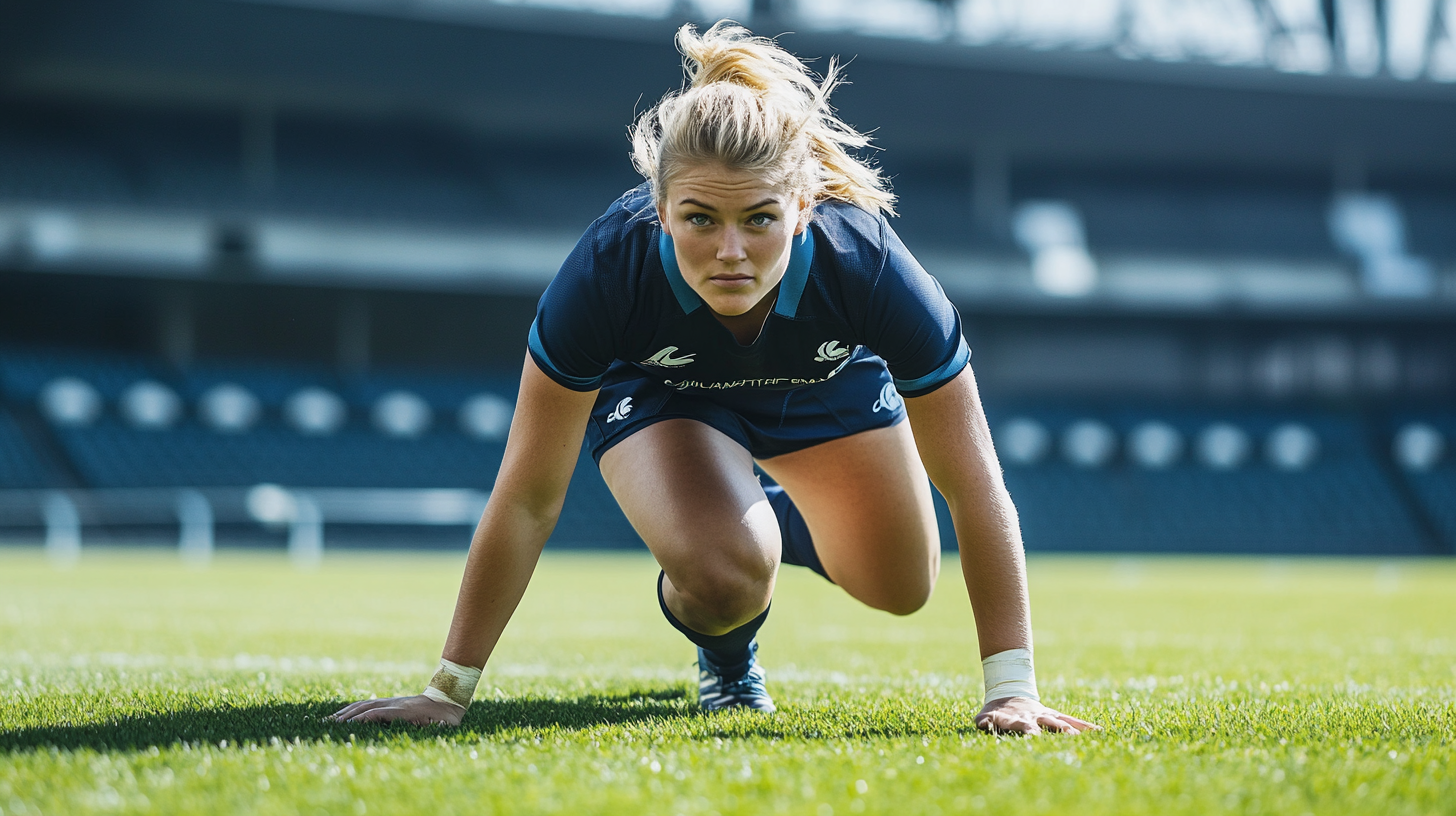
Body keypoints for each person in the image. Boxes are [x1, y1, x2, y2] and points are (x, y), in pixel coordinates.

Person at [332, 22, 1095, 736]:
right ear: (660, 211)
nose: (730, 250)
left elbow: (974, 481)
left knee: (902, 586)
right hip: (667, 397)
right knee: (728, 575)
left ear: (802, 208)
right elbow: (529, 497)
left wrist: (1012, 687)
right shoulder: (606, 271)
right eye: (700, 218)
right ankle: (728, 649)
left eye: (759, 219)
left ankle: (761, 519)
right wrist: (448, 690)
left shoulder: (869, 267)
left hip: (823, 385)